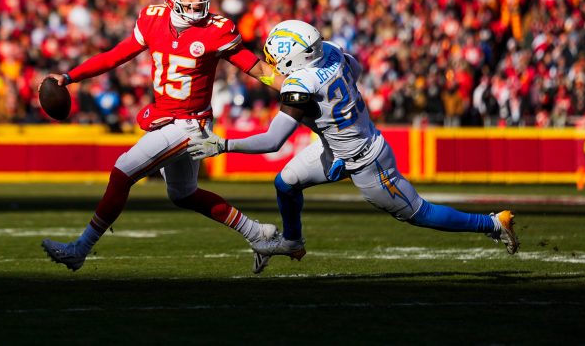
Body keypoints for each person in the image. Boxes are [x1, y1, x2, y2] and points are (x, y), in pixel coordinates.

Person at [188, 20, 519, 273]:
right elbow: (355, 69)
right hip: (337, 149)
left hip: (366, 160)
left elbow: (273, 141)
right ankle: (292, 241)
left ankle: (492, 224)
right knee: (285, 183)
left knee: (419, 213)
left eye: (275, 58)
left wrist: (223, 145)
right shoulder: (330, 52)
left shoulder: (301, 84)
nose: (272, 62)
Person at [40, 0, 284, 272]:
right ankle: (258, 233)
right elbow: (115, 56)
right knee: (183, 193)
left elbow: (258, 68)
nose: (197, 0)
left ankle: (80, 249)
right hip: (169, 118)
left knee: (123, 172)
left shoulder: (217, 29)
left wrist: (294, 88)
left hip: (191, 123)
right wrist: (69, 76)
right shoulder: (152, 19)